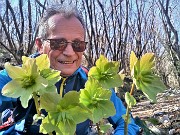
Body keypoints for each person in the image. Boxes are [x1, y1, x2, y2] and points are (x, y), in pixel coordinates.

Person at [0, 4, 140, 135]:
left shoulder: (92, 82)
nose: (69, 52)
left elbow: (128, 123)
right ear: (40, 45)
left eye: (77, 44)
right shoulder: (19, 76)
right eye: (58, 43)